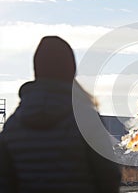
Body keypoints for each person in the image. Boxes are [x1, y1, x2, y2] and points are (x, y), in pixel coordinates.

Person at [0, 36, 121, 193]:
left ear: (37, 71)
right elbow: (109, 177)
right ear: (71, 71)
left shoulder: (12, 126)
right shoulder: (86, 121)